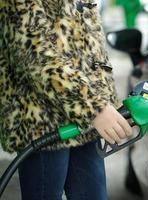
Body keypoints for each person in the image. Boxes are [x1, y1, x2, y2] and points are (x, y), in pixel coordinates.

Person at [0, 0, 132, 199]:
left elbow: (93, 50)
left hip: (85, 125)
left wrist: (106, 104)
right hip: (44, 122)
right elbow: (35, 57)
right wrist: (95, 108)